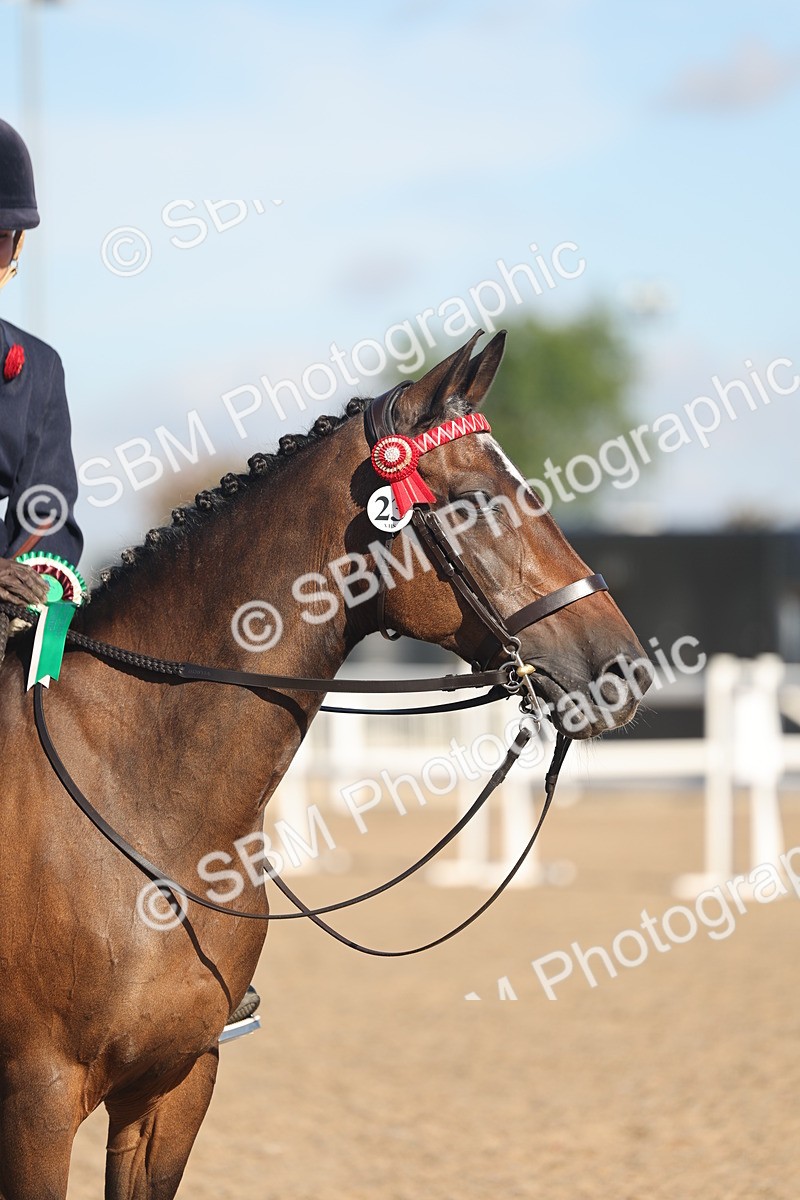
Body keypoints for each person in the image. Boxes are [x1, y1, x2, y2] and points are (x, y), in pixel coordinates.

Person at [0, 118, 261, 1035]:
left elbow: (47, 504)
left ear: (17, 249)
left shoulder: (33, 371)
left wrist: (34, 573)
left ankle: (191, 958)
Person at [0, 118, 82, 609]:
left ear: (16, 246)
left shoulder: (39, 369)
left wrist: (27, 587)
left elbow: (44, 515)